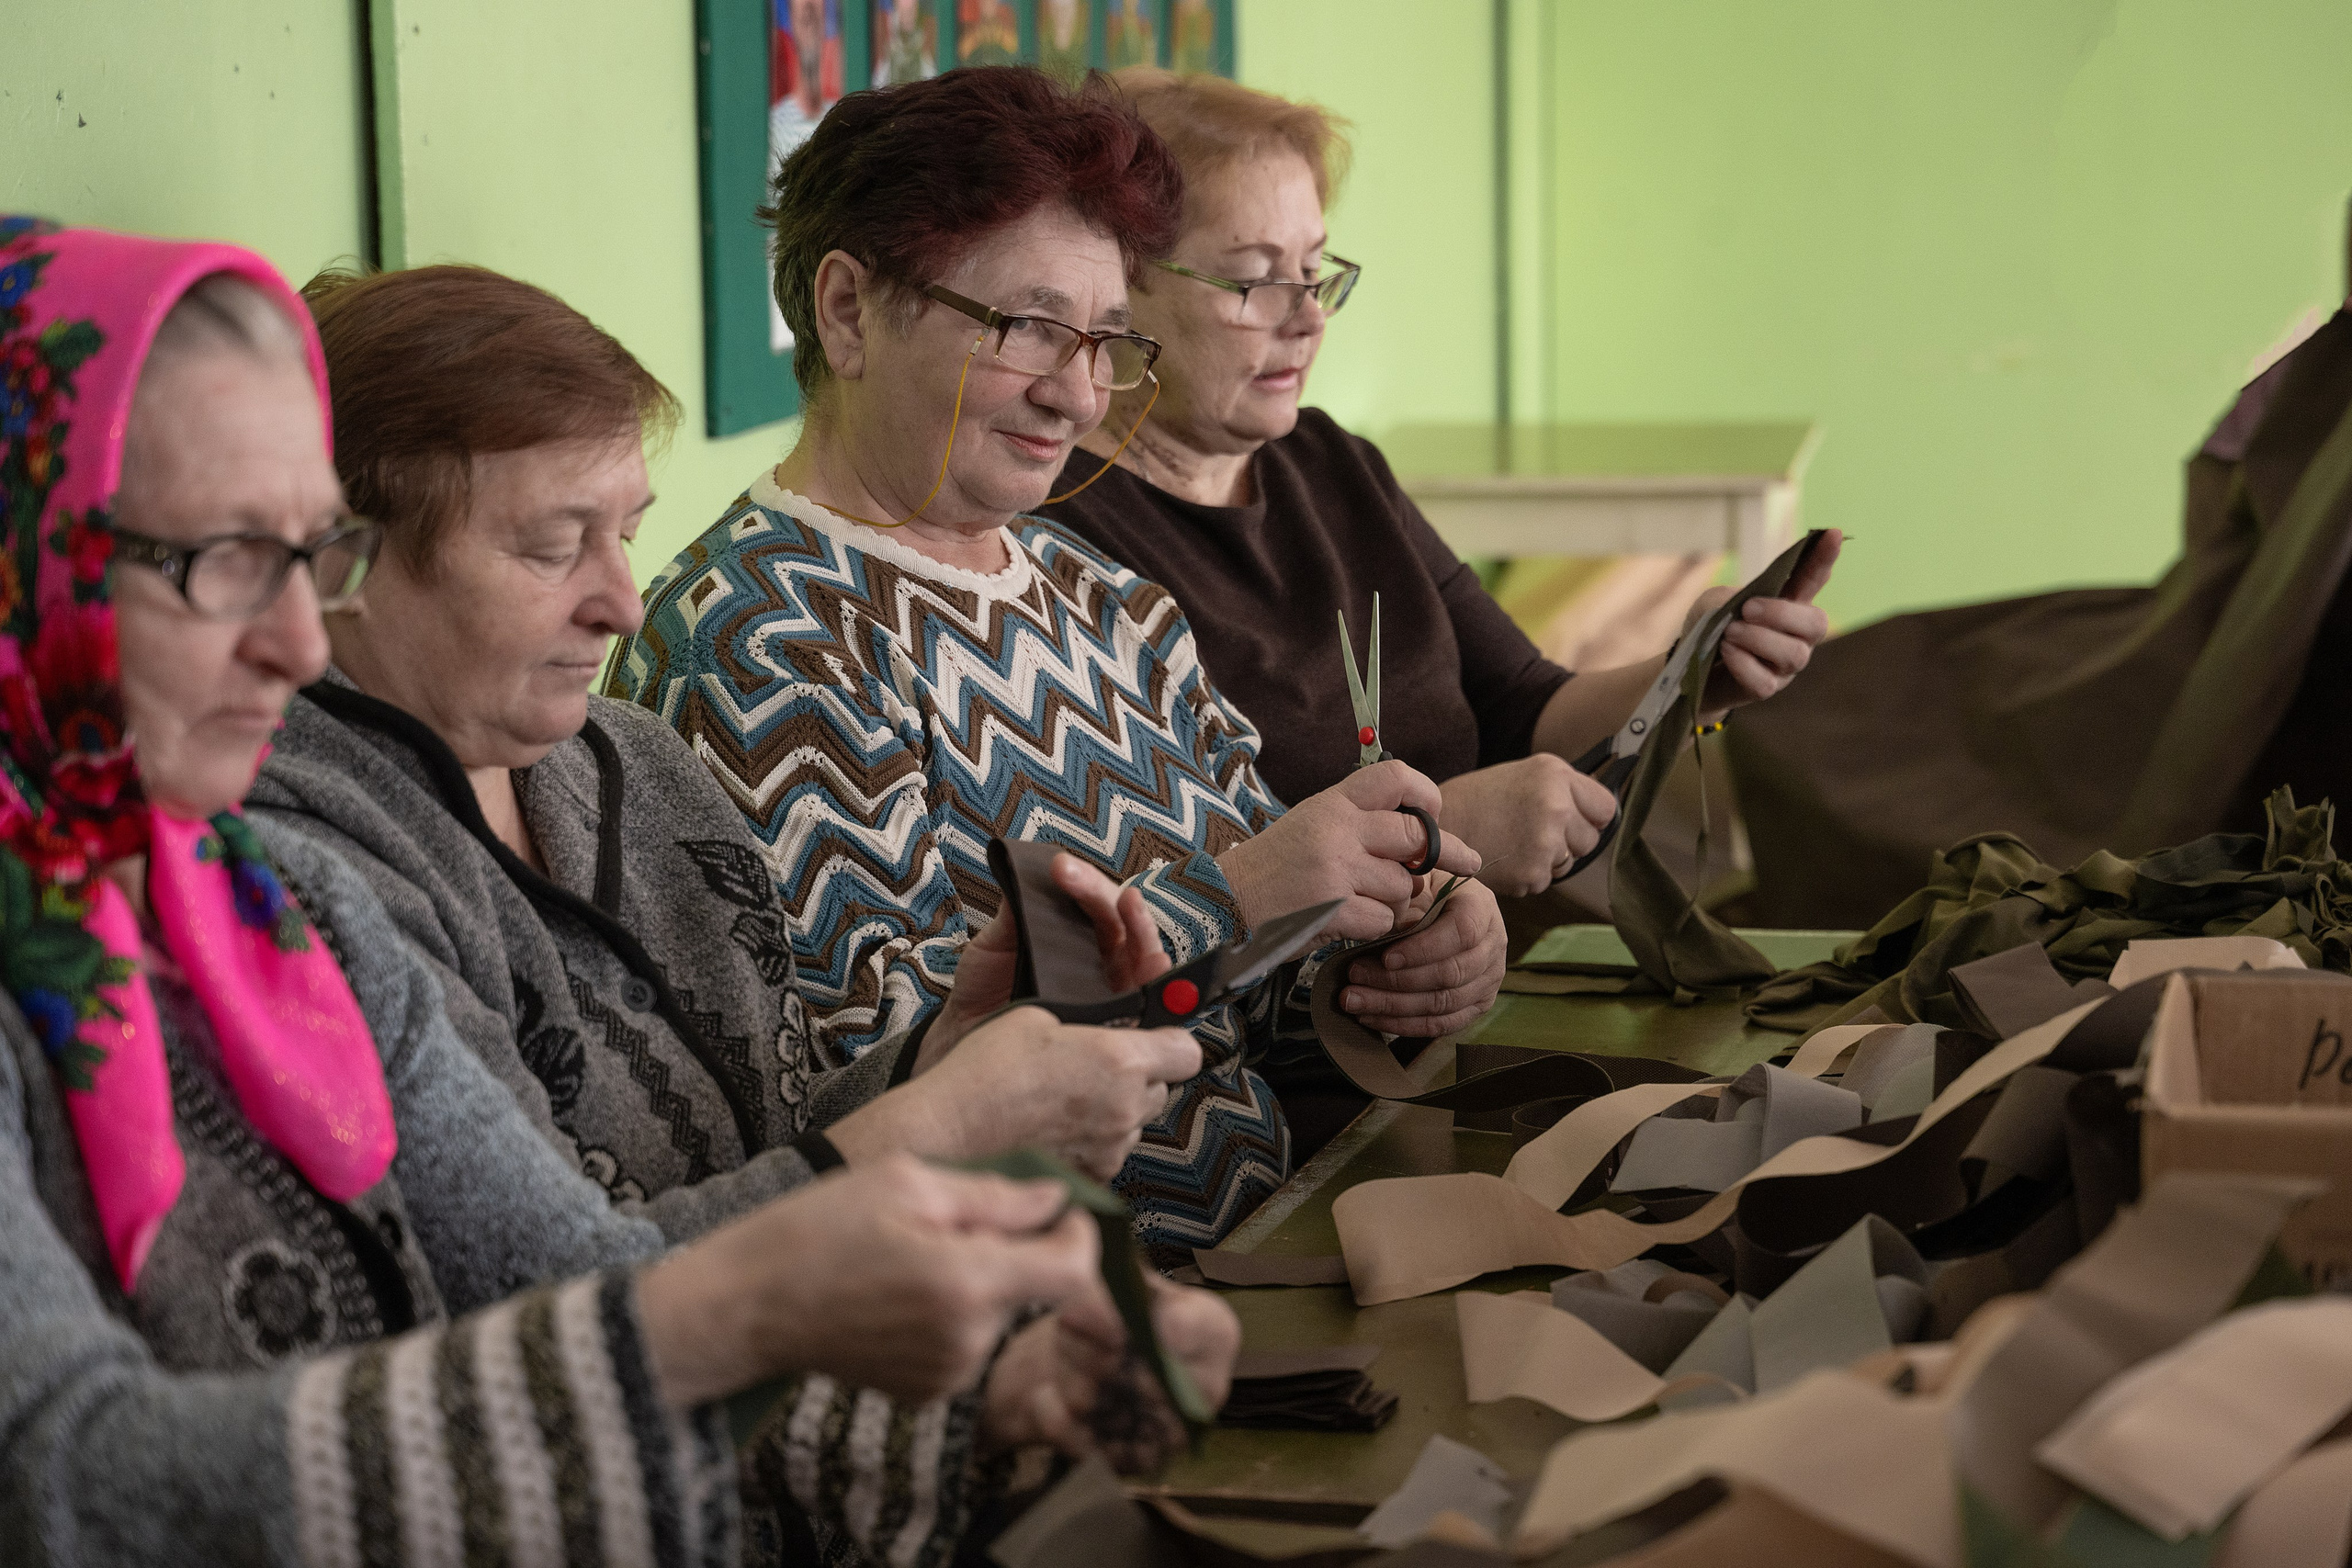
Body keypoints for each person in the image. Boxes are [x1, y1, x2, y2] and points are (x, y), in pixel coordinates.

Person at [0, 217, 1233, 1566]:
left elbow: (561, 1280)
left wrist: (982, 1403)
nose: (298, 638)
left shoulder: (250, 907)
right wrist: (793, 1261)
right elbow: (64, 1483)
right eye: (225, 558)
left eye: (304, 559)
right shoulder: (305, 847)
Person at [605, 66, 1509, 1265]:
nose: (1080, 392)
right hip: (1043, 1334)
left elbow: (1249, 999)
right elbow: (882, 1084)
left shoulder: (1100, 593)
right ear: (847, 311)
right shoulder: (757, 638)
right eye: (1031, 327)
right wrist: (1246, 890)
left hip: (1259, 1263)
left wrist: (1392, 945)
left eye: (1105, 342)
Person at [252, 261, 1201, 1222]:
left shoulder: (636, 764)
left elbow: (776, 1143)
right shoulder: (289, 878)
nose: (623, 606)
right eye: (550, 548)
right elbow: (549, 1304)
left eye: (625, 534)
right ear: (337, 560)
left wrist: (942, 1053)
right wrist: (942, 1125)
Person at [1038, 70, 1841, 900]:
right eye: (1256, 279)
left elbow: (1527, 708)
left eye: (1315, 271)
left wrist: (1689, 675)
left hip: (1482, 959)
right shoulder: (1055, 526)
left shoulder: (1332, 464)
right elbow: (1170, 887)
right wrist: (1443, 832)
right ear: (1122, 291)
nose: (1308, 314)